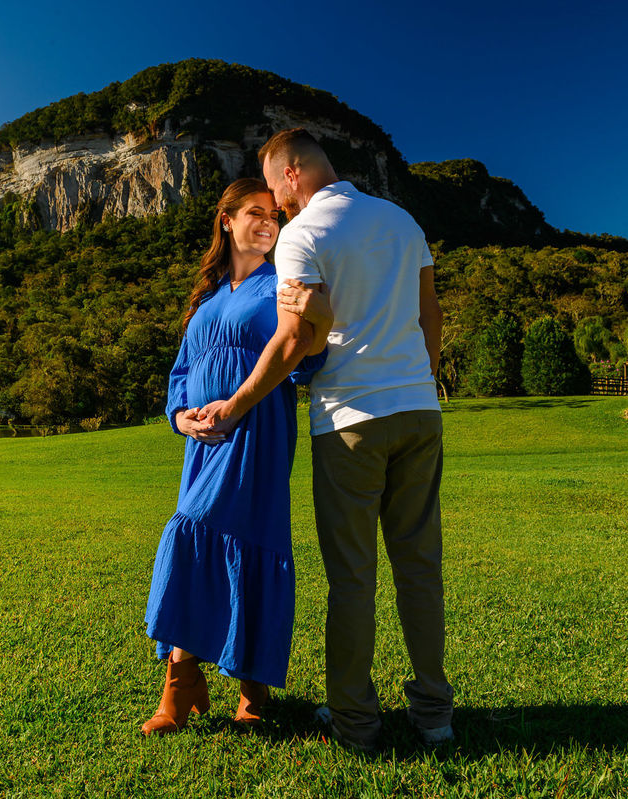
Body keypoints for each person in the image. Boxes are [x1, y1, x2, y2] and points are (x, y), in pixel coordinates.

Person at [198, 128, 453, 753]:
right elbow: (432, 316)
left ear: (290, 174)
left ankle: (356, 723)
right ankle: (434, 717)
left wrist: (234, 404)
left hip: (350, 422)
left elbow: (290, 342)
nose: (277, 208)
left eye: (275, 189)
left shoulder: (304, 235)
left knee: (353, 578)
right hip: (419, 412)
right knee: (420, 570)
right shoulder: (400, 219)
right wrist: (419, 380)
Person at [141, 178, 331, 735]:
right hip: (202, 442)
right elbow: (181, 372)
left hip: (256, 429)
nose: (269, 222)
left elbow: (307, 353)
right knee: (209, 535)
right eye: (255, 212)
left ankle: (187, 682)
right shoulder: (206, 294)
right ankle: (234, 685)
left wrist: (239, 403)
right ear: (226, 220)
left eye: (275, 214)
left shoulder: (284, 282)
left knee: (205, 531)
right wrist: (181, 416)